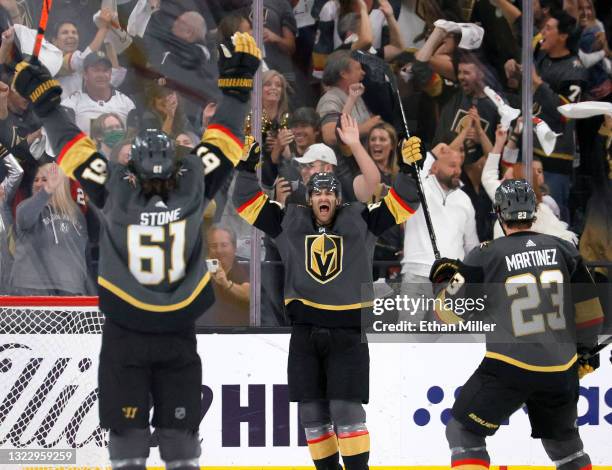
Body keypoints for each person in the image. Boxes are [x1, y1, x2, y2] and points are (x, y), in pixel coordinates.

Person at [12, 31, 261, 470]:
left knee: (127, 444)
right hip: (179, 332)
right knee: (181, 443)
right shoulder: (193, 184)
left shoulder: (114, 188)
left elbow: (72, 147)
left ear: (133, 170)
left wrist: (46, 103)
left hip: (125, 331)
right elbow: (224, 143)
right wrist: (238, 89)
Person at [233, 123, 424, 470]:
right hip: (305, 332)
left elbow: (404, 203)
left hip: (348, 334)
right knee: (311, 412)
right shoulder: (290, 220)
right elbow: (245, 202)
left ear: (338, 198)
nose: (324, 199)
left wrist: (410, 169)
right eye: (318, 194)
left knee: (345, 409)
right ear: (309, 199)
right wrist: (246, 167)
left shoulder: (360, 220)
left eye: (330, 194)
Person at [429, 179, 604, 470]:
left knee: (463, 431)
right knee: (565, 447)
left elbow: (447, 315)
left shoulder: (485, 255)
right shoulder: (564, 250)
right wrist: (585, 353)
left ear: (498, 212)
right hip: (560, 370)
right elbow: (591, 314)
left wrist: (442, 286)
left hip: (509, 366)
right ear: (534, 212)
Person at [10, 162, 90, 296]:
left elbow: (83, 254)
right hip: (31, 288)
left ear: (60, 183)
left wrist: (83, 286)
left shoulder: (76, 214)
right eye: (36, 180)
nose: (39, 183)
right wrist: (47, 191)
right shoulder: (25, 207)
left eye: (45, 179)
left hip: (71, 288)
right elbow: (23, 219)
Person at [61, 50, 136, 136]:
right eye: (96, 70)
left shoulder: (127, 104)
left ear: (110, 74)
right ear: (85, 74)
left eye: (105, 70)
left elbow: (131, 140)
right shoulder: (70, 104)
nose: (101, 75)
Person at [197, 225, 250, 326]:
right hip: (204, 333)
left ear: (234, 248)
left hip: (238, 333)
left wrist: (226, 284)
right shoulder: (200, 271)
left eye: (224, 245)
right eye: (214, 246)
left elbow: (250, 295)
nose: (219, 251)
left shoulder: (246, 268)